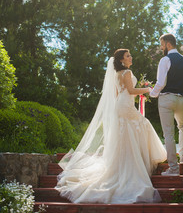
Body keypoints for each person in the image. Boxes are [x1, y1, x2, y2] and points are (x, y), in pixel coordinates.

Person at [55, 49, 167, 204]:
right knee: (142, 125)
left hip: (121, 104)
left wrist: (131, 98)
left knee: (129, 131)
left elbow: (119, 93)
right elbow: (131, 90)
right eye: (128, 56)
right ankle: (135, 162)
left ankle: (130, 159)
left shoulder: (116, 74)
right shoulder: (127, 72)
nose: (131, 57)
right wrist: (148, 89)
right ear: (121, 60)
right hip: (125, 105)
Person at [150, 33, 183, 176]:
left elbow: (160, 83)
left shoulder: (165, 59)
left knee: (168, 134)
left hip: (166, 99)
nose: (161, 47)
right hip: (181, 99)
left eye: (162, 44)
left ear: (168, 44)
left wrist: (152, 94)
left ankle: (173, 169)